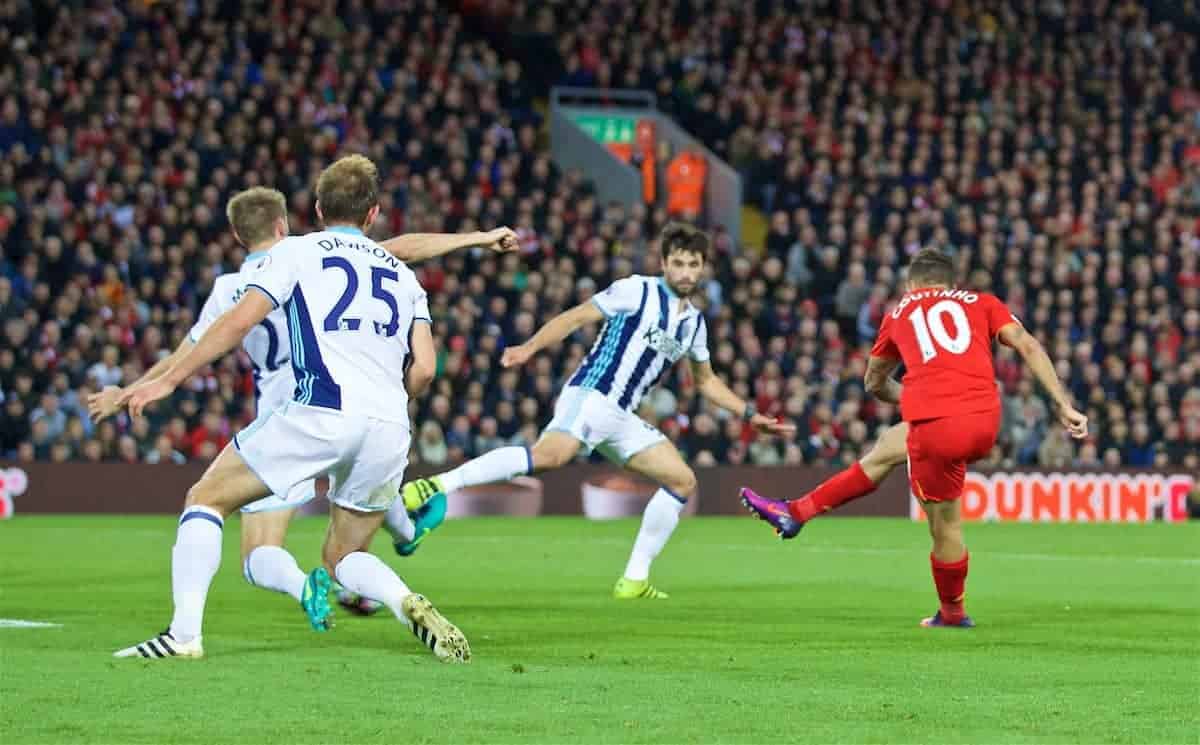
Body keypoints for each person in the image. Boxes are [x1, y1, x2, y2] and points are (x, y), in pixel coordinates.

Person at [112, 155, 475, 662]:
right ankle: (402, 599)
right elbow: (426, 370)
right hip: (390, 424)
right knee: (344, 555)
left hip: (319, 412)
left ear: (320, 207)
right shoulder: (404, 276)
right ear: (373, 215)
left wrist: (169, 380)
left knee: (207, 497)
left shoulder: (295, 253)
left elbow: (240, 323)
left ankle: (184, 636)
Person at [403, 223, 795, 599]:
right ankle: (436, 485)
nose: (686, 271)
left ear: (703, 268)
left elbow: (706, 381)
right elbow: (576, 317)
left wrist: (748, 414)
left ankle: (634, 580)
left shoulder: (694, 324)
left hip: (622, 417)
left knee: (681, 481)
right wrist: (528, 348)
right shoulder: (635, 291)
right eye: (678, 262)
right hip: (592, 395)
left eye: (694, 264)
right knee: (548, 458)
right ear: (663, 263)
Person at [741, 249, 1087, 627]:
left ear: (911, 285)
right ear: (952, 283)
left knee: (945, 525)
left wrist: (913, 397)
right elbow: (1029, 345)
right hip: (986, 420)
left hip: (937, 428)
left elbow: (873, 382)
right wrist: (1063, 405)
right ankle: (796, 512)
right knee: (889, 446)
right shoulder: (982, 302)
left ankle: (952, 613)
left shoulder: (899, 313)